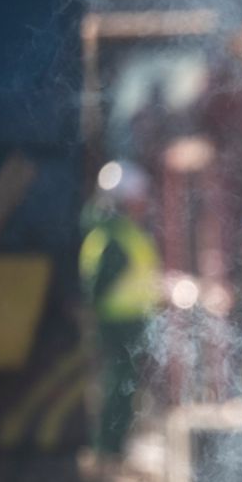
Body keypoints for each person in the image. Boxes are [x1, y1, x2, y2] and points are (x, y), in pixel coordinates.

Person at [79, 160, 162, 462]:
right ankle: (107, 451)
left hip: (129, 322)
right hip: (118, 325)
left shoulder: (121, 233)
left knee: (124, 386)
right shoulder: (114, 238)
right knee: (118, 387)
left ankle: (112, 451)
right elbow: (100, 287)